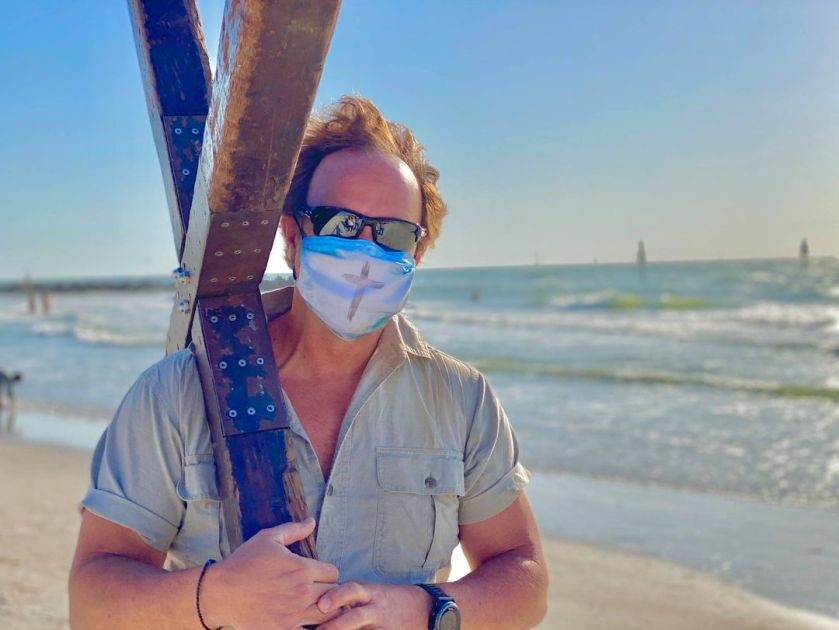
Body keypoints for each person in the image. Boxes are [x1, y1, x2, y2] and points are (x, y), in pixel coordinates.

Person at [69, 96, 548, 629]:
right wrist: (218, 596)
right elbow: (91, 600)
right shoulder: (176, 393)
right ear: (293, 238)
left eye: (392, 233)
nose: (366, 252)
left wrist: (423, 610)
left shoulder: (461, 398)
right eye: (342, 224)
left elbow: (524, 578)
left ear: (416, 255)